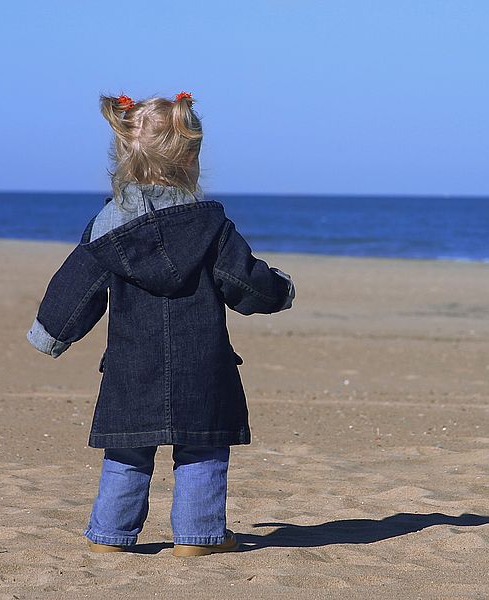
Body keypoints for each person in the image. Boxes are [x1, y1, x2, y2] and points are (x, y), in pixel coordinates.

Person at [26, 91, 295, 557]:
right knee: (202, 449)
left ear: (124, 155)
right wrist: (280, 289)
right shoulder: (212, 228)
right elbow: (243, 282)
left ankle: (111, 536)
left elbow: (77, 287)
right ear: (191, 160)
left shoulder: (107, 226)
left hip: (132, 365)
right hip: (202, 363)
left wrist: (49, 333)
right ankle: (197, 536)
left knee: (128, 452)